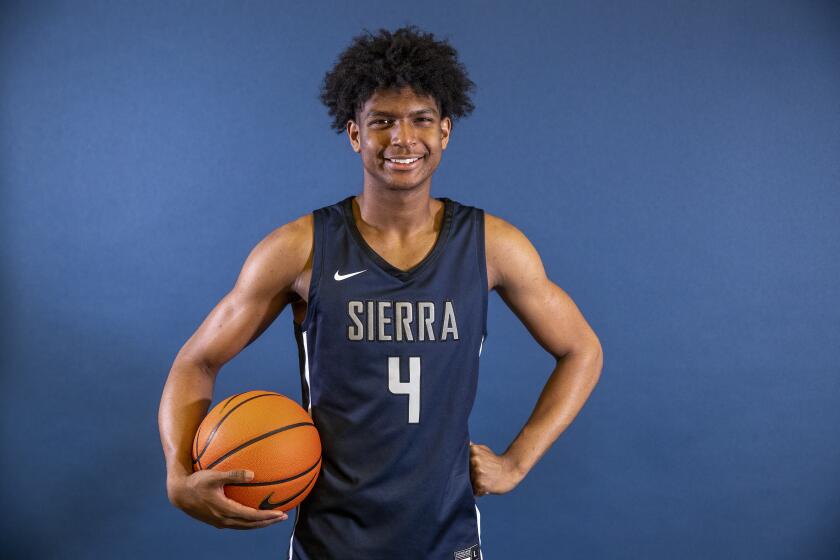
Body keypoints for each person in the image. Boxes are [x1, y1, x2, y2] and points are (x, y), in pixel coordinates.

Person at [158, 25, 602, 560]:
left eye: (419, 121)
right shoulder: (300, 248)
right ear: (354, 134)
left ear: (445, 131)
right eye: (382, 122)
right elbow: (197, 360)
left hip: (447, 542)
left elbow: (582, 350)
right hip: (331, 543)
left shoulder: (492, 246)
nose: (402, 139)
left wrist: (517, 461)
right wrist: (179, 474)